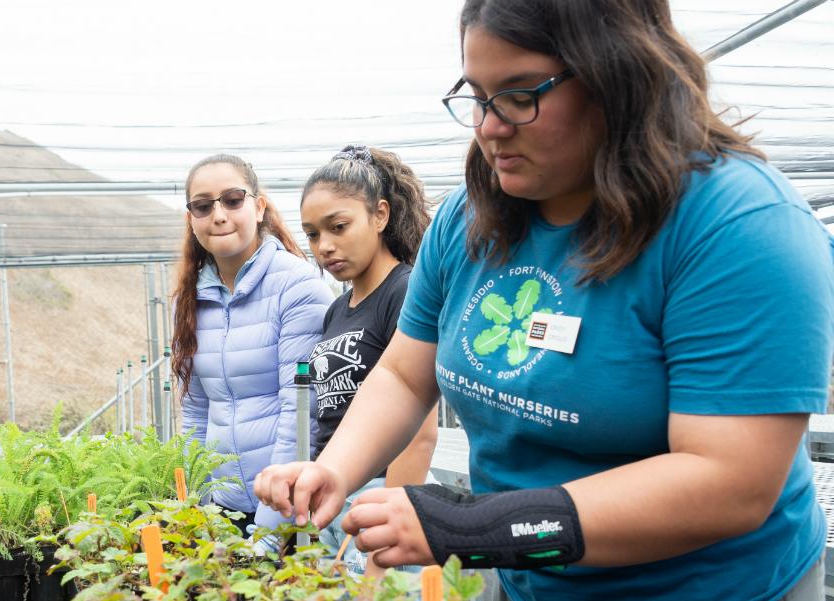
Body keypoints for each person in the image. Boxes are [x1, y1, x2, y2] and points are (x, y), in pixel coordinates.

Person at [254, 1, 834, 599]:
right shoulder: (467, 220)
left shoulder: (738, 226)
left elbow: (728, 483)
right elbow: (403, 374)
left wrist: (472, 525)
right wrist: (334, 469)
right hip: (528, 576)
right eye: (477, 96)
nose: (489, 126)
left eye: (520, 94)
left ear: (620, 78)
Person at [172, 153, 333, 535]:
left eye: (232, 199)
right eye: (203, 205)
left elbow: (301, 416)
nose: (219, 214)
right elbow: (195, 414)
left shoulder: (297, 287)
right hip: (222, 513)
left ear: (259, 207)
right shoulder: (189, 300)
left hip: (287, 509)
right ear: (191, 218)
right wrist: (193, 507)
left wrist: (270, 529)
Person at [299, 144, 441, 576]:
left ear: (380, 215)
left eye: (338, 226)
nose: (325, 246)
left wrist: (383, 557)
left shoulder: (405, 292)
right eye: (312, 234)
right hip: (339, 499)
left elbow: (419, 433)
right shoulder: (337, 309)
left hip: (385, 503)